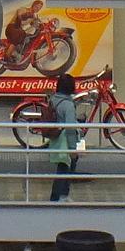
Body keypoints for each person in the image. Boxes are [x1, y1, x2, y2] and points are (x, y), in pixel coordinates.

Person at [48, 73, 81, 202]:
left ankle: (61, 195)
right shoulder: (68, 105)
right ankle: (58, 196)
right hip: (66, 140)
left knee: (63, 167)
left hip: (56, 138)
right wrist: (73, 148)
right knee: (65, 168)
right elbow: (71, 128)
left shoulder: (53, 100)